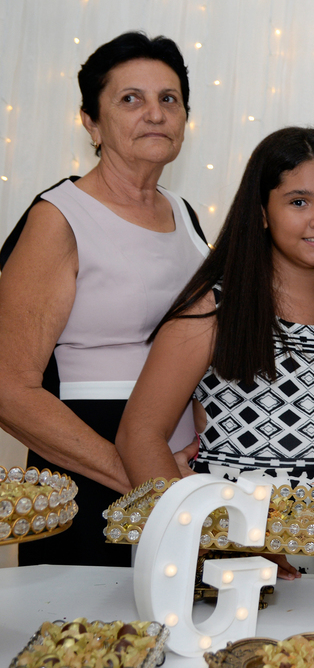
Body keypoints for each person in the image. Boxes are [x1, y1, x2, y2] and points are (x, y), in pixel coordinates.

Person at [116, 127, 314, 576]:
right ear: (261, 213)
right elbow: (138, 435)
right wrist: (208, 540)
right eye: (299, 202)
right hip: (232, 540)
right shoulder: (213, 309)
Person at [0, 33, 208, 566]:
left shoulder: (186, 215)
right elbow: (8, 388)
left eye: (169, 99)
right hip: (91, 470)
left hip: (180, 470)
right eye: (130, 99)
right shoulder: (58, 217)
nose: (155, 113)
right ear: (91, 123)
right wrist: (142, 476)